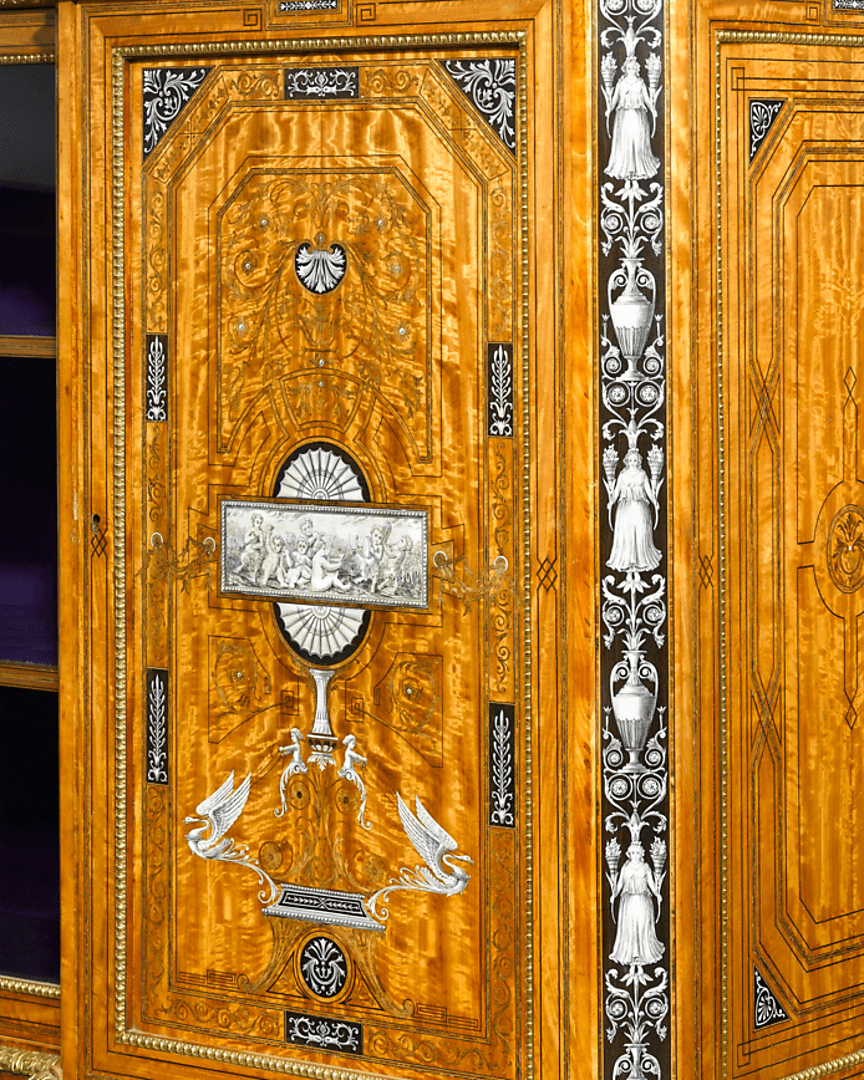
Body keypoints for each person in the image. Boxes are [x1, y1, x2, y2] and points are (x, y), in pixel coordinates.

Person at [605, 56, 660, 181]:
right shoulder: (621, 83)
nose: (631, 70)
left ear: (637, 69)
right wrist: (609, 109)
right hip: (623, 117)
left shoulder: (640, 83)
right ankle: (626, 169)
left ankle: (638, 169)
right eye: (629, 68)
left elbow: (646, 100)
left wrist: (653, 110)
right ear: (625, 69)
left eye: (633, 68)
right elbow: (614, 101)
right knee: (625, 142)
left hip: (638, 117)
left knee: (638, 141)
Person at [610, 842, 664, 966]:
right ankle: (631, 953)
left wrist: (657, 894)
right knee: (630, 927)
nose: (635, 855)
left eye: (637, 853)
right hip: (628, 902)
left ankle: (643, 953)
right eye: (633, 853)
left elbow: (651, 883)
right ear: (629, 854)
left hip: (643, 901)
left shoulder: (645, 867)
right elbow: (619, 885)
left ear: (641, 854)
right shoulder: (626, 867)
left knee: (642, 926)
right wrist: (614, 895)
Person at [607, 449, 661, 571]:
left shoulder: (642, 475)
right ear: (627, 461)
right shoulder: (622, 476)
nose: (633, 463)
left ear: (639, 461)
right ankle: (627, 560)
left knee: (641, 533)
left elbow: (649, 491)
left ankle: (641, 559)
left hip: (640, 508)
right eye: (631, 460)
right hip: (625, 509)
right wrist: (610, 502)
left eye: (635, 460)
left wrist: (655, 502)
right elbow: (616, 493)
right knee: (627, 534)